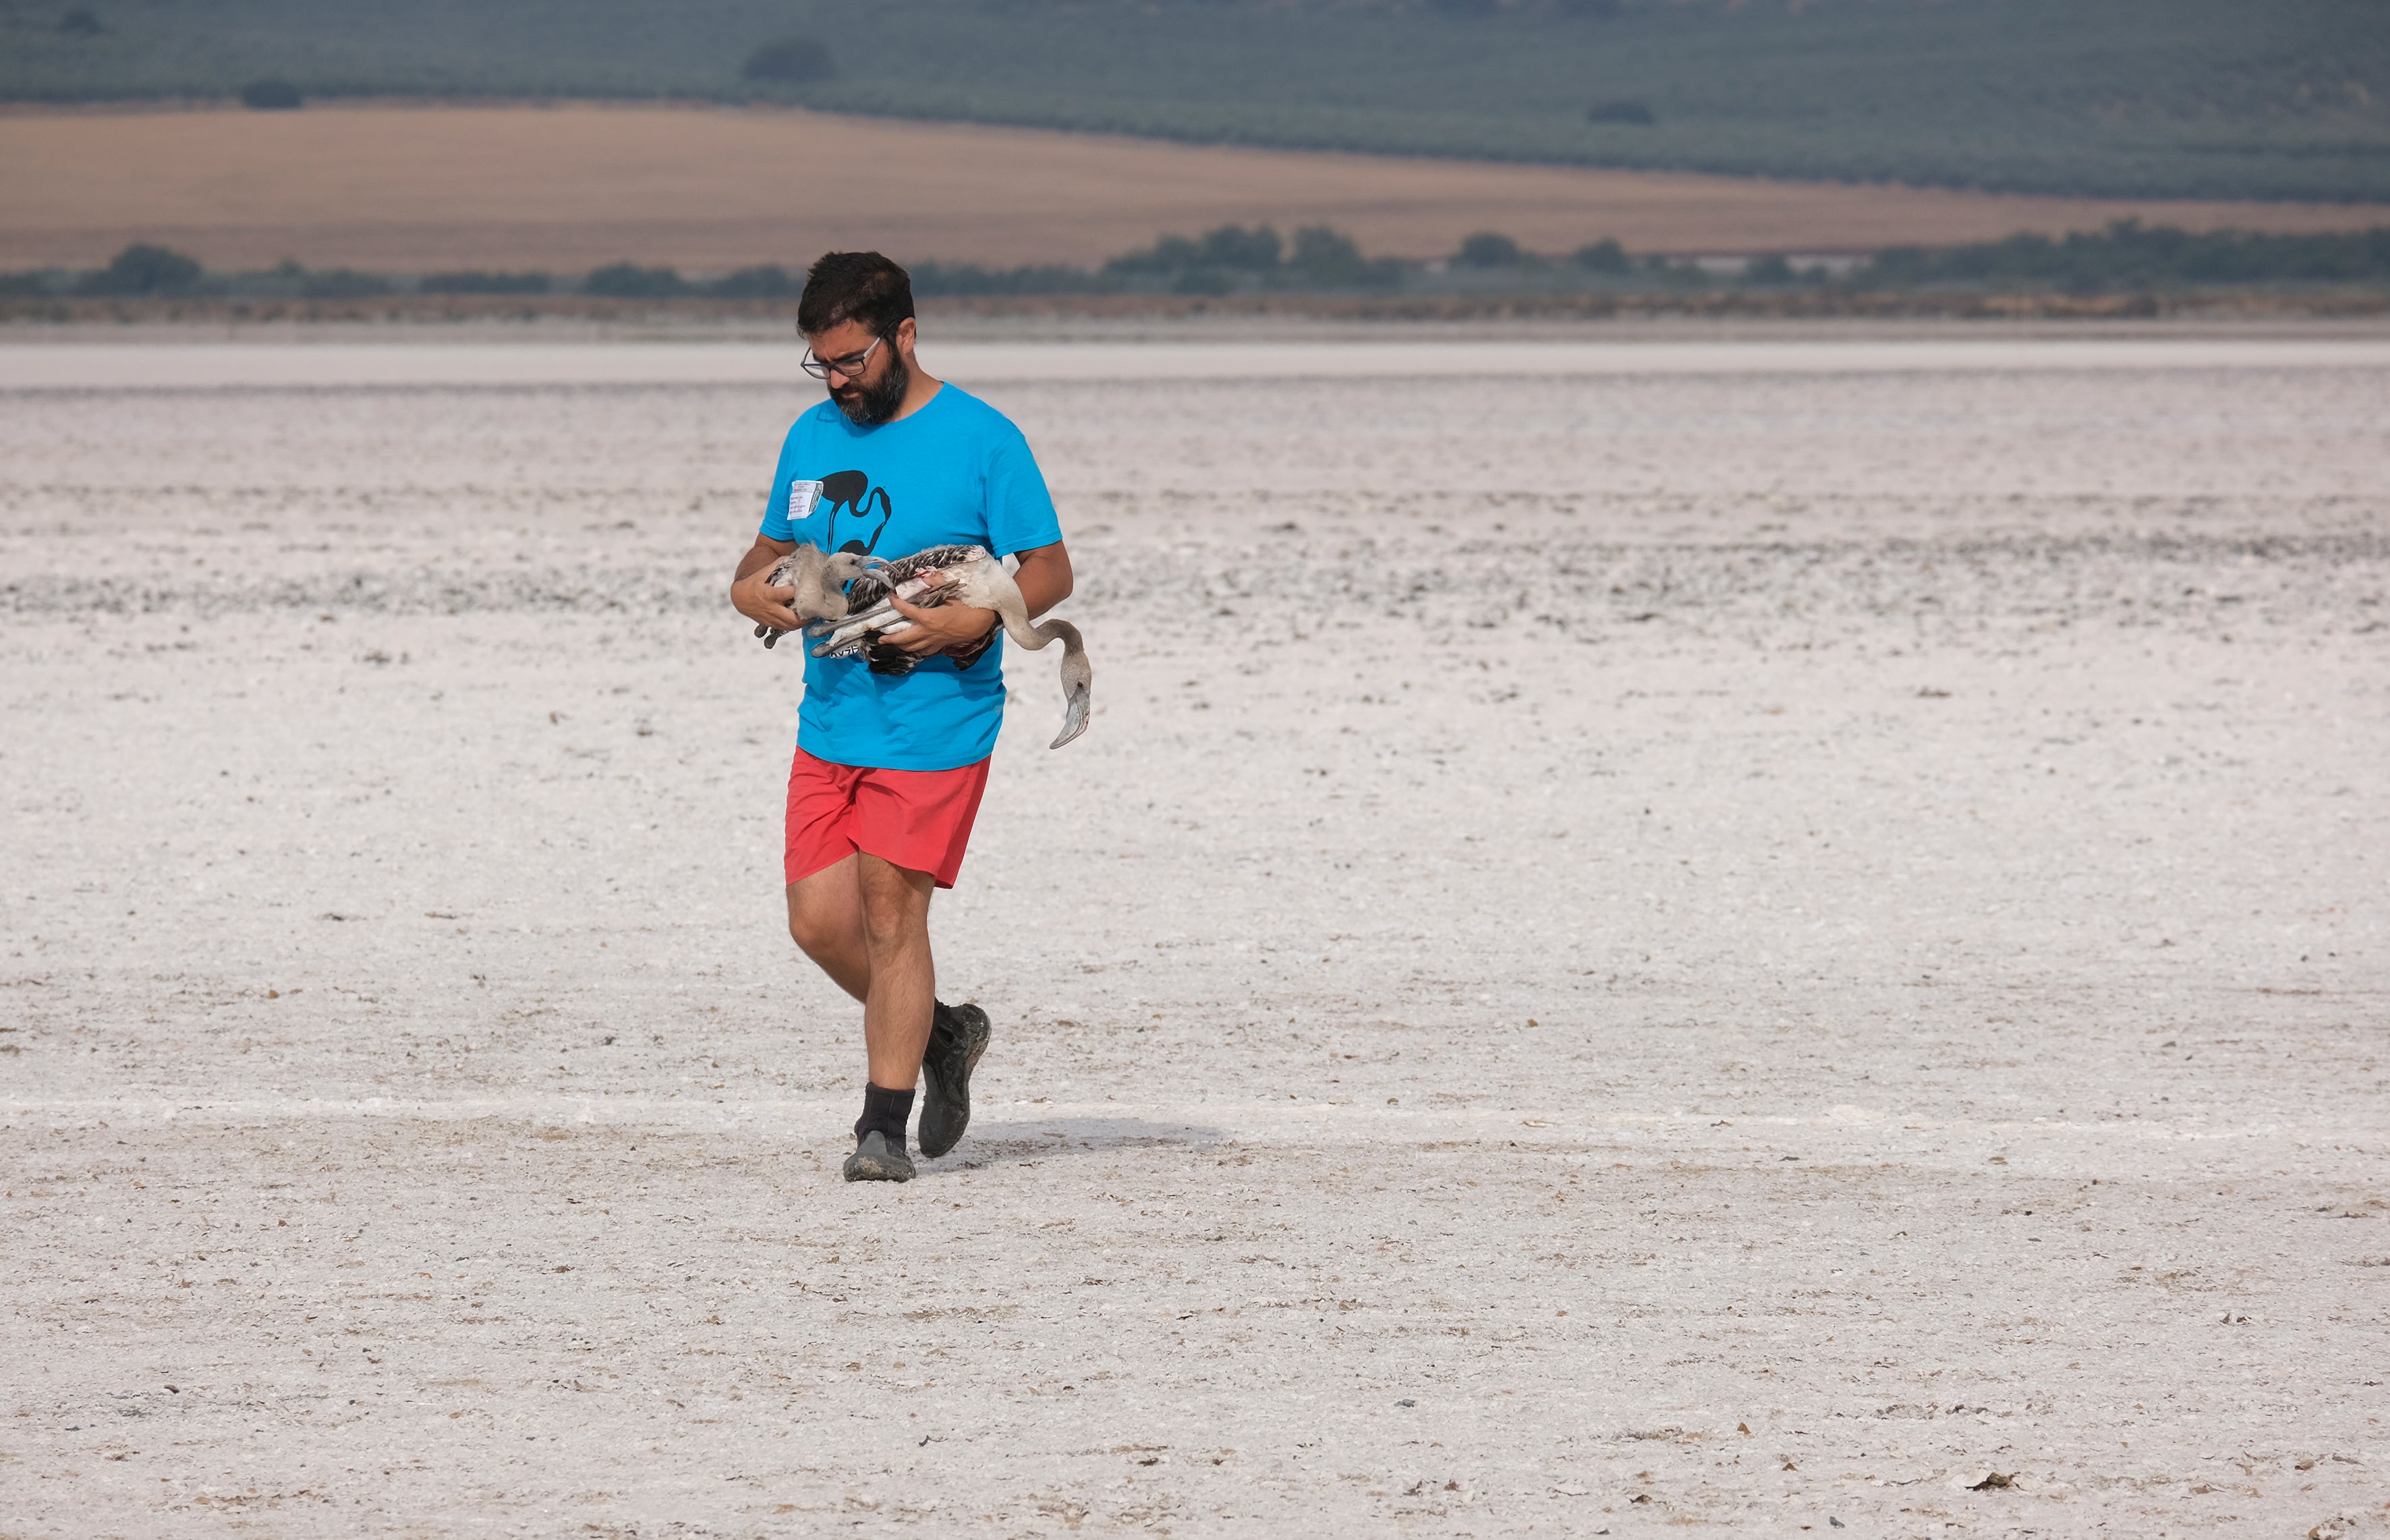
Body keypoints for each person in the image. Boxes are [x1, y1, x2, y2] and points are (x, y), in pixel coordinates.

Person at [728, 252, 1075, 1183]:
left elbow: (1049, 569)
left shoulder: (982, 438)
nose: (837, 381)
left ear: (904, 337)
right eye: (821, 364)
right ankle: (944, 1031)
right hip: (830, 717)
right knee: (818, 923)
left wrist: (972, 617)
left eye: (851, 360)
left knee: (892, 914)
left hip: (939, 717)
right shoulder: (809, 438)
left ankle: (881, 1131)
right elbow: (761, 560)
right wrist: (757, 596)